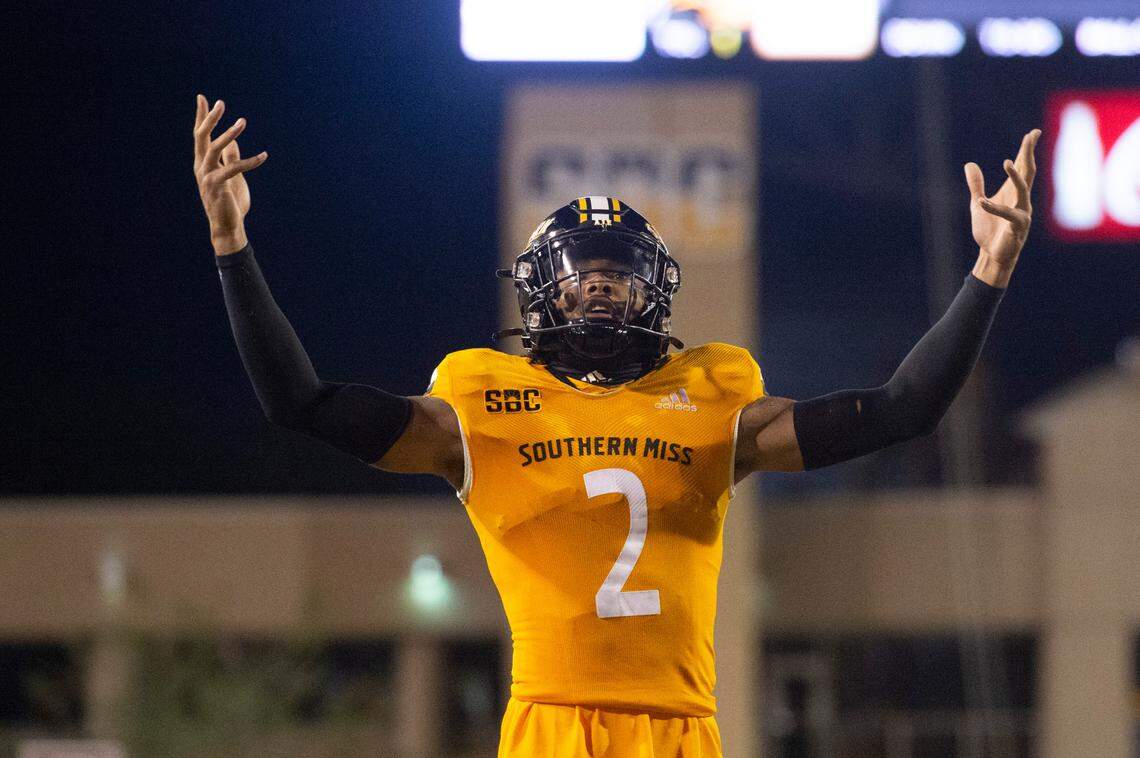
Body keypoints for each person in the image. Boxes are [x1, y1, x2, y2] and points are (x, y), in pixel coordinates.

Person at [192, 93, 1039, 757]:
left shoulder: (713, 395)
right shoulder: (479, 403)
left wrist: (988, 272)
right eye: (579, 274)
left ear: (654, 292)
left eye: (619, 274)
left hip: (680, 730)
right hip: (550, 725)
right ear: (542, 292)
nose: (599, 285)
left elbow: (902, 408)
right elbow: (300, 403)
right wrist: (231, 241)